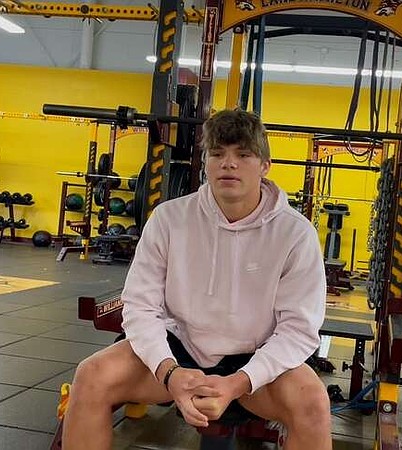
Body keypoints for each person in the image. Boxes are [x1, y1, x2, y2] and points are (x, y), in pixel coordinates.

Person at [62, 109, 330, 450]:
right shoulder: (169, 219)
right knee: (92, 375)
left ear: (265, 165)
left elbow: (299, 330)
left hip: (254, 360)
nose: (228, 164)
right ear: (205, 162)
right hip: (180, 351)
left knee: (313, 403)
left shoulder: (296, 233)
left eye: (243, 155)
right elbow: (140, 307)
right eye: (217, 154)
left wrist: (238, 383)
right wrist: (169, 374)